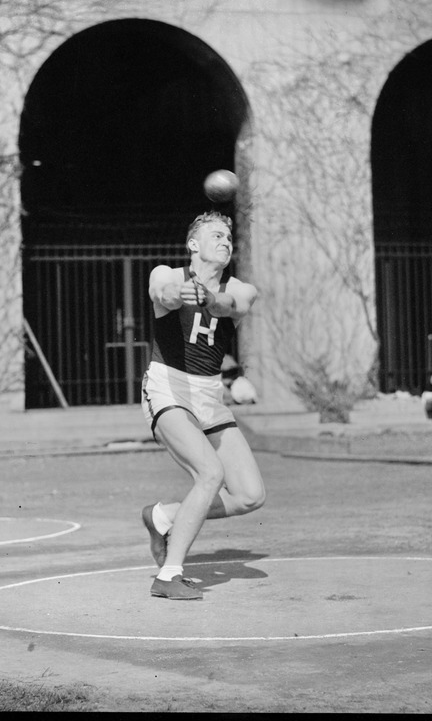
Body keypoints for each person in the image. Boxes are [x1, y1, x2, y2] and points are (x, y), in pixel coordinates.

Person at [139, 211, 265, 600]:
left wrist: (211, 298)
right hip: (169, 387)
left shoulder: (240, 287)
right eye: (216, 235)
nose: (226, 241)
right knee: (209, 473)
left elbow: (235, 305)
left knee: (249, 495)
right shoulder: (168, 275)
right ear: (193, 244)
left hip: (209, 396)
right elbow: (162, 293)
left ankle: (163, 516)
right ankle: (168, 575)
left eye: (229, 237)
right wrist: (183, 295)